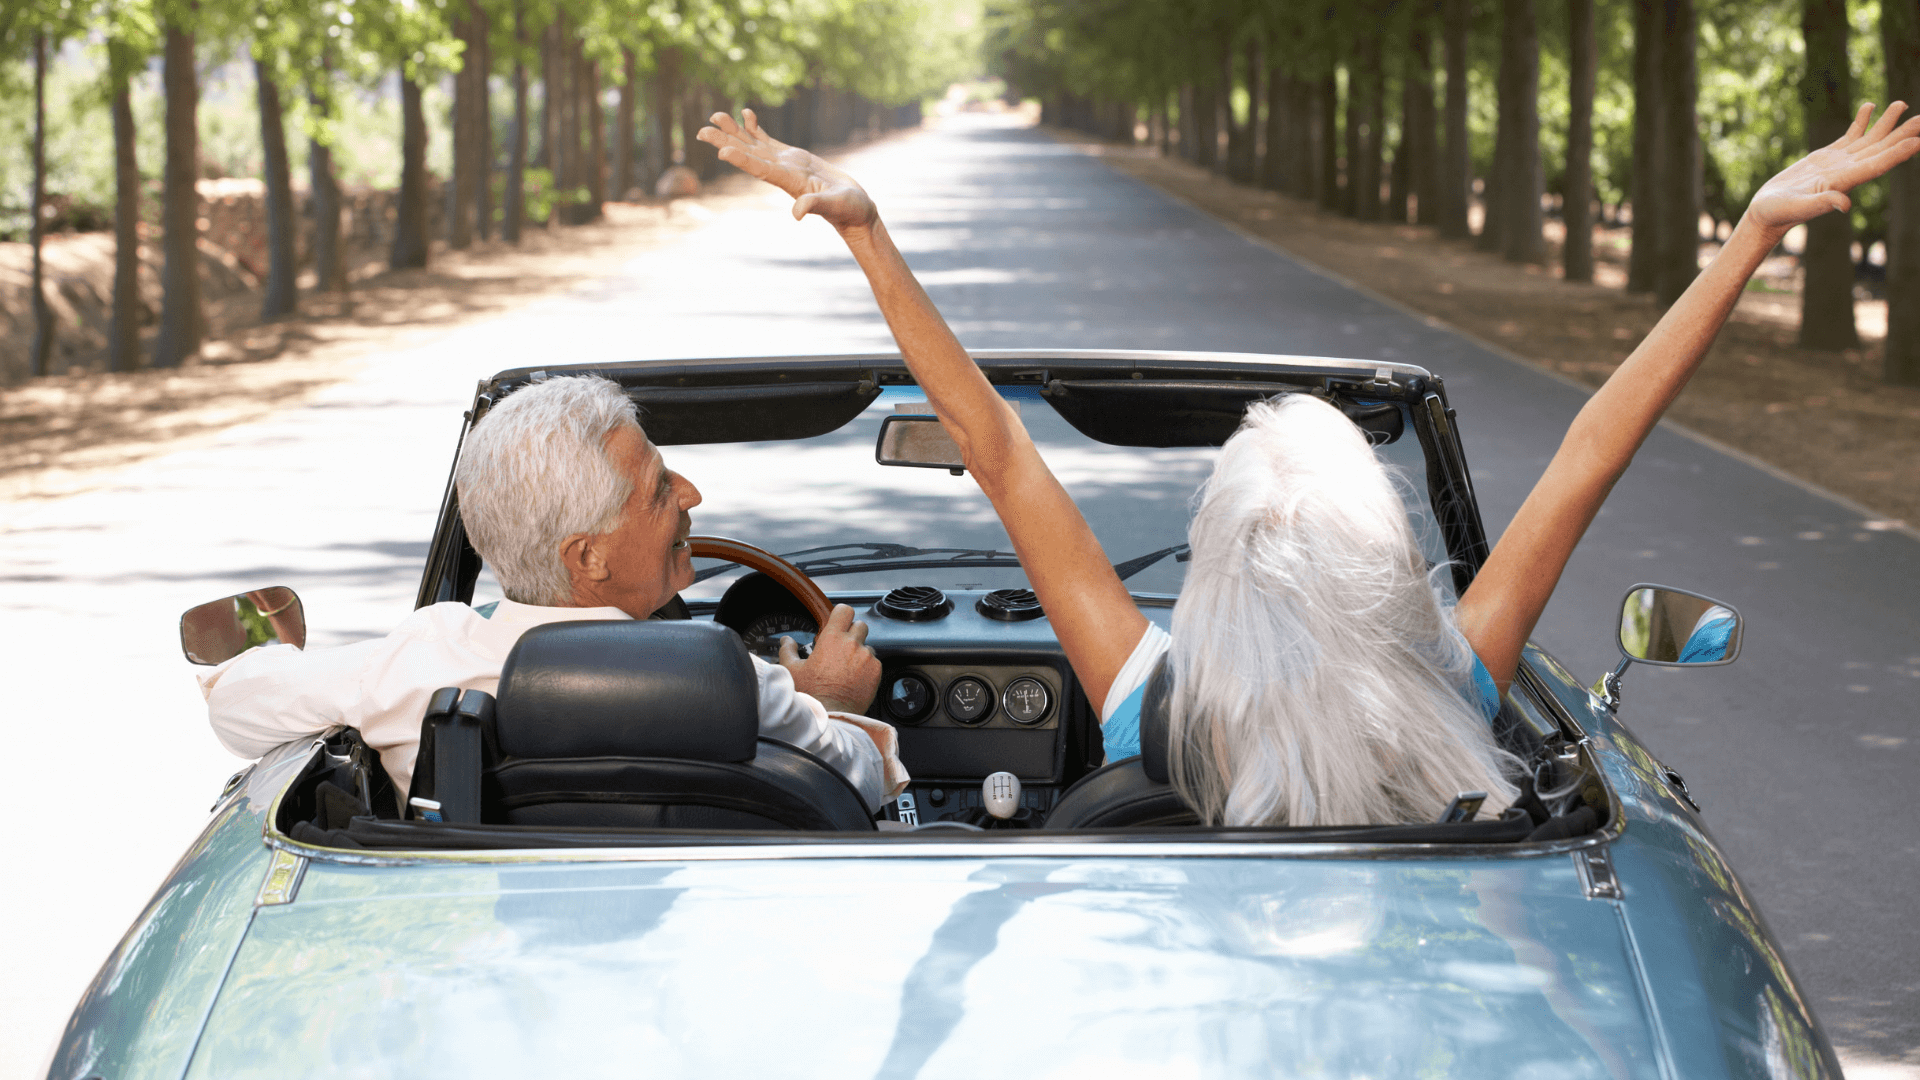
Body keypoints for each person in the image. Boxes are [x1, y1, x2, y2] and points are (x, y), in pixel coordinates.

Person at [699, 102, 1920, 827]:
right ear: (1385, 563)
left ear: (1220, 565)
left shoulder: (1151, 705)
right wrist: (1750, 234)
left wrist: (869, 233)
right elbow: (1596, 444)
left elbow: (1002, 455)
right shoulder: (1456, 682)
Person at [201, 375, 908, 811]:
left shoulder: (417, 663)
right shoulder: (731, 680)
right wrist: (834, 700)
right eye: (659, 488)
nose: (692, 494)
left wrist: (275, 648)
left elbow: (236, 705)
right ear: (587, 557)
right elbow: (858, 782)